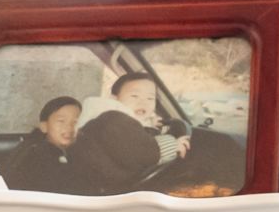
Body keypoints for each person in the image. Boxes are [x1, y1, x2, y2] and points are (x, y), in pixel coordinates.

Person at [73, 68, 250, 197]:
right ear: (114, 99)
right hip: (109, 192)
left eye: (150, 98)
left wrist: (155, 126)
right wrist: (174, 145)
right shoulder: (112, 119)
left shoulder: (119, 120)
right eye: (134, 96)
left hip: (116, 188)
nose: (144, 102)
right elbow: (144, 153)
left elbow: (134, 140)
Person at [0, 95, 93, 193]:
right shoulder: (36, 154)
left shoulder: (76, 151)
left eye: (75, 122)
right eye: (61, 121)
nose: (69, 127)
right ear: (44, 126)